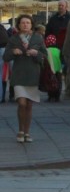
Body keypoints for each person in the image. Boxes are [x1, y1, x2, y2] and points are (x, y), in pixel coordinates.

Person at [3, 14, 46, 142]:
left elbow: (44, 55)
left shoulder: (38, 38)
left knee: (29, 105)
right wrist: (13, 52)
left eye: (28, 22)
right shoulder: (13, 39)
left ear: (31, 24)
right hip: (19, 75)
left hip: (33, 74)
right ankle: (20, 130)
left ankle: (26, 132)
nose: (25, 25)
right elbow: (5, 57)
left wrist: (36, 53)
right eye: (23, 23)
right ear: (19, 25)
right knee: (21, 103)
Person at [42, 34, 63, 101]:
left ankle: (50, 96)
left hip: (49, 69)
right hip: (58, 69)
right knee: (58, 82)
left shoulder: (46, 50)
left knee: (50, 82)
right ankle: (57, 96)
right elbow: (62, 59)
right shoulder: (58, 50)